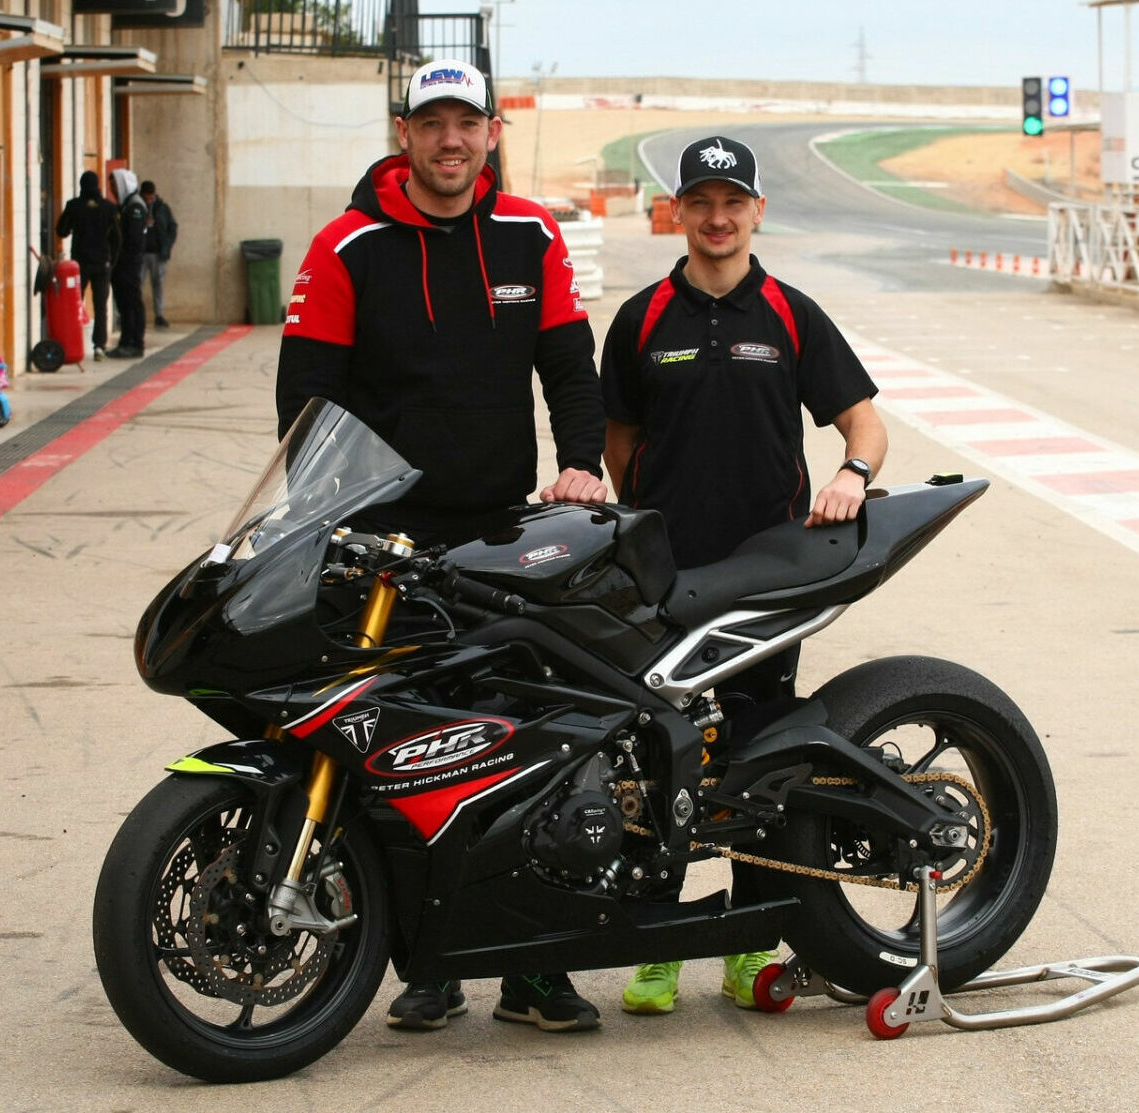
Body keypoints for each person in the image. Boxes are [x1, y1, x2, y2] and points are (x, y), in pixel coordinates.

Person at [276, 58, 608, 1033]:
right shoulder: (348, 245)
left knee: (527, 750)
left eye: (468, 122)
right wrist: (322, 514)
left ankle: (535, 969)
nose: (451, 140)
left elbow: (568, 364)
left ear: (491, 132)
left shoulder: (529, 234)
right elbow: (305, 396)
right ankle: (428, 966)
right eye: (433, 123)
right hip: (384, 552)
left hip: (500, 538)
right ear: (404, 132)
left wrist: (582, 461)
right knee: (398, 759)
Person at [599, 134, 886, 1016]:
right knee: (656, 761)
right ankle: (656, 948)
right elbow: (618, 451)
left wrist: (851, 476)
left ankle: (751, 941)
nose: (717, 218)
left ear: (757, 211)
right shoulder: (642, 320)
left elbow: (864, 424)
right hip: (670, 581)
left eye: (733, 202)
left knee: (760, 761)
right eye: (701, 202)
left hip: (768, 579)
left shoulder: (793, 316)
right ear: (677, 213)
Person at [54, 170, 120, 360]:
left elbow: (62, 230)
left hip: (79, 265)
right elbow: (117, 238)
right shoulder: (109, 208)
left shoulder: (74, 206)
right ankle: (99, 345)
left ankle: (74, 344)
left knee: (75, 304)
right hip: (102, 263)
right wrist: (111, 261)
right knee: (101, 307)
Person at [107, 168, 150, 358]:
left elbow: (132, 239)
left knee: (132, 303)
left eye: (115, 186)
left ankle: (135, 342)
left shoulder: (135, 207)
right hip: (123, 264)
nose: (114, 190)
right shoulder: (125, 205)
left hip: (130, 264)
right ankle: (126, 340)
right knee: (124, 304)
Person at [139, 180, 177, 328]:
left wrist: (167, 245)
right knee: (138, 284)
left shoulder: (162, 208)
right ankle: (138, 315)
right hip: (141, 253)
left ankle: (159, 315)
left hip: (158, 253)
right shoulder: (138, 207)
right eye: (147, 197)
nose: (149, 200)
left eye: (151, 197)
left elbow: (172, 227)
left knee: (158, 284)